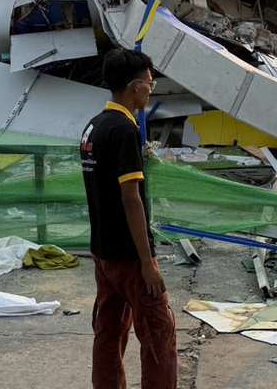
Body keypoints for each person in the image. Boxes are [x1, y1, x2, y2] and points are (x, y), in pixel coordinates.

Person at [82, 48, 176, 389]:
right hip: (129, 256)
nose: (151, 90)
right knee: (157, 335)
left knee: (108, 332)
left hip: (103, 252)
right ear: (135, 86)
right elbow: (130, 198)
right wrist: (148, 260)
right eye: (149, 83)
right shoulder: (123, 130)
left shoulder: (93, 127)